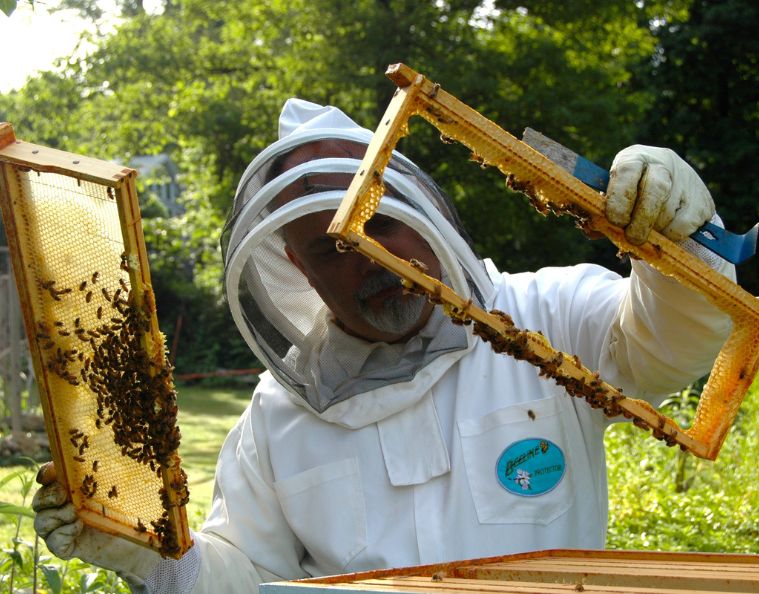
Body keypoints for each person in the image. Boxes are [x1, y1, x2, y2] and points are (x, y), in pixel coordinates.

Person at [32, 98, 734, 593]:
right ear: (297, 268)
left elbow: (670, 343)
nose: (368, 260)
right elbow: (245, 579)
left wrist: (676, 246)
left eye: (379, 226)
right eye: (333, 249)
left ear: (418, 209)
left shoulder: (543, 314)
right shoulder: (277, 421)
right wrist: (155, 559)